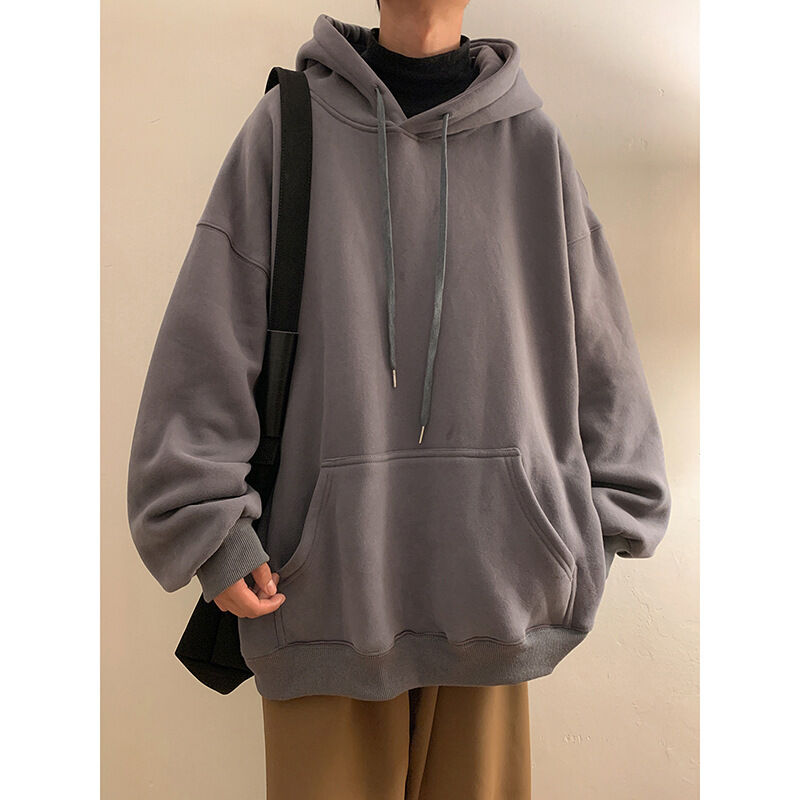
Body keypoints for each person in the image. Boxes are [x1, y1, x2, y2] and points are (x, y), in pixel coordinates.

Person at [127, 3, 672, 798]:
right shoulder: (288, 129)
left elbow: (602, 349)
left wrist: (595, 531)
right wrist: (208, 529)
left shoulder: (532, 143)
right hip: (320, 600)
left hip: (495, 598)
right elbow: (207, 341)